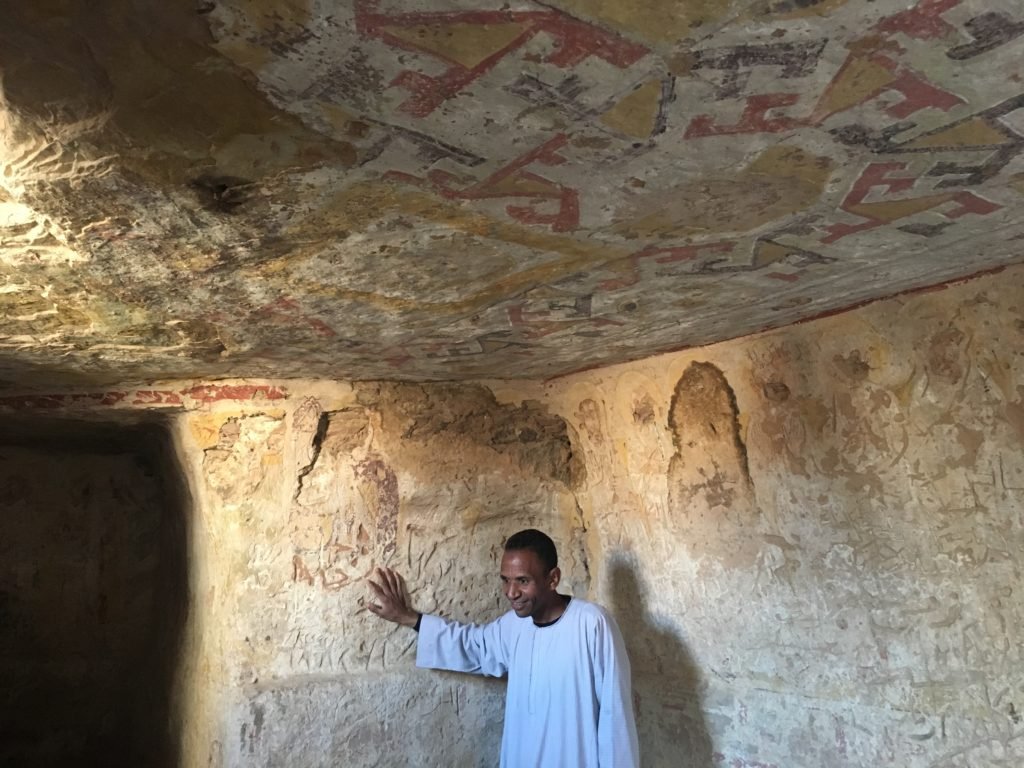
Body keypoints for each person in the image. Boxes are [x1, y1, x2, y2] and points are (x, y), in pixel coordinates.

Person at [368, 528, 640, 768]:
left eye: (523, 581)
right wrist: (406, 617)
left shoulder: (591, 624)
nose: (511, 592)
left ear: (553, 578)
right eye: (505, 580)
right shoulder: (514, 626)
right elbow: (473, 646)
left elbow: (614, 716)